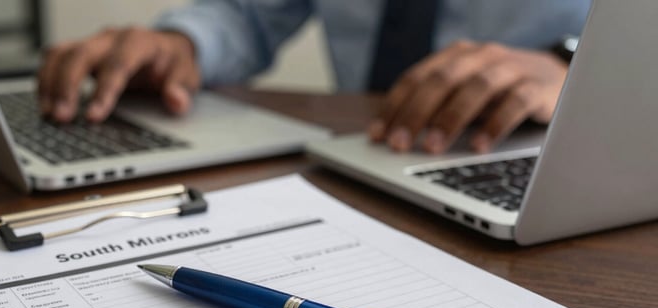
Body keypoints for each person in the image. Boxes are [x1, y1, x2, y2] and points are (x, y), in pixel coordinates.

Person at [38, 0, 590, 154]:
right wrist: (181, 44)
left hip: (532, 152)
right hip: (362, 152)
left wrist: (571, 64)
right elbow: (248, 14)